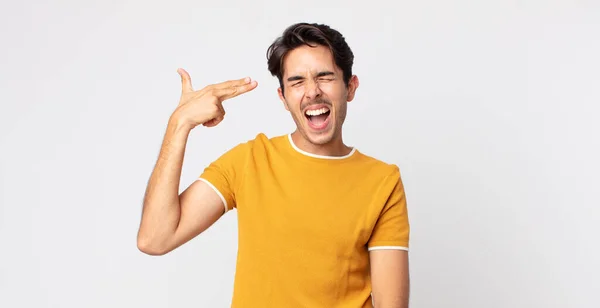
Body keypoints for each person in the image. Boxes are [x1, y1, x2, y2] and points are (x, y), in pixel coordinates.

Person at [137, 22, 411, 308]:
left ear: (350, 87)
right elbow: (155, 239)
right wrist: (179, 124)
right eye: (296, 81)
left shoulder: (382, 181)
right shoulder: (250, 161)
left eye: (325, 77)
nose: (312, 91)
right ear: (283, 98)